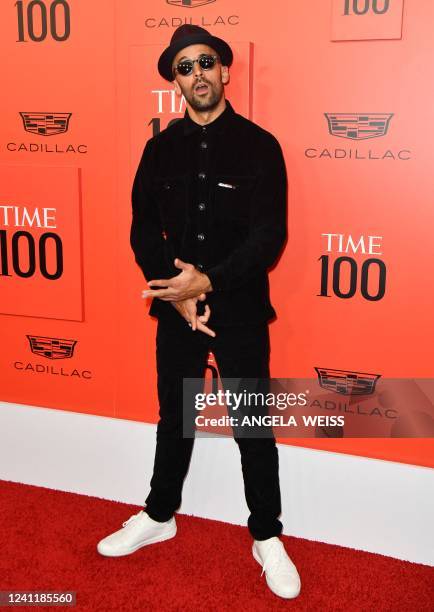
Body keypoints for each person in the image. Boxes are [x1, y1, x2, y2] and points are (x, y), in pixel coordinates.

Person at [97, 25, 301, 600]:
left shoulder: (262, 146)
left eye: (205, 62)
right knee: (174, 420)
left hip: (239, 311)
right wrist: (178, 293)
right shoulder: (159, 149)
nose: (197, 75)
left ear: (226, 70)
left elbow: (270, 235)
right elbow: (142, 227)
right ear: (176, 82)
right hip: (175, 312)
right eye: (184, 68)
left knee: (253, 429)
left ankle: (266, 536)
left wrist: (207, 281)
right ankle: (161, 515)